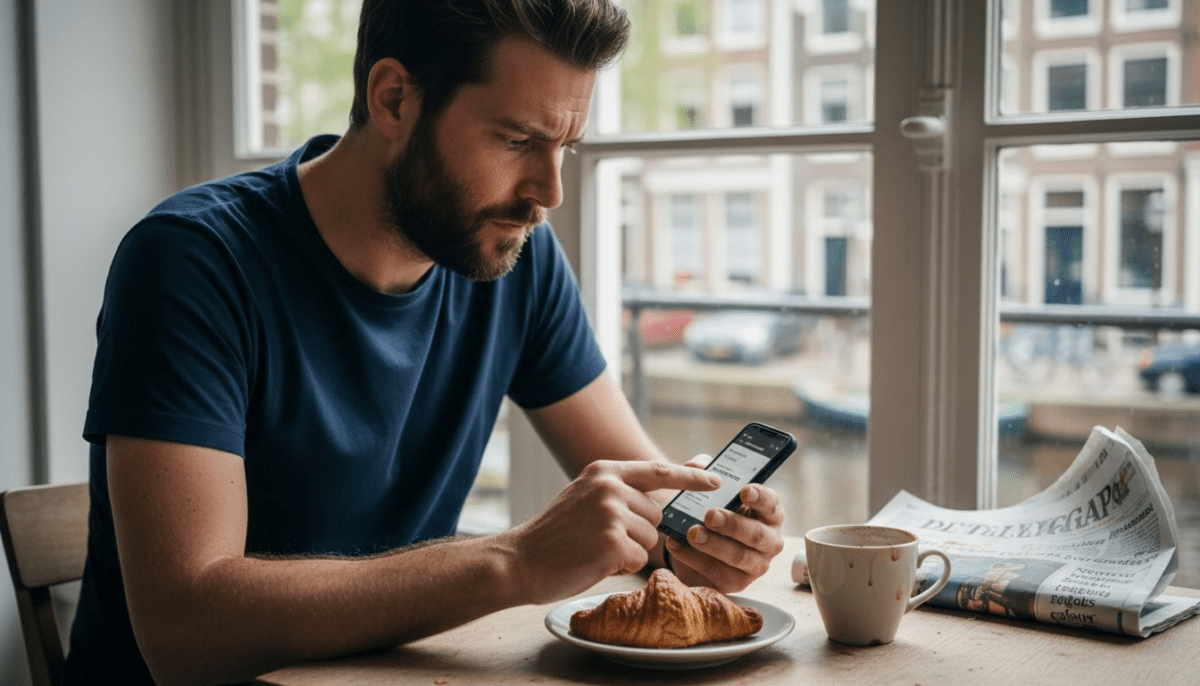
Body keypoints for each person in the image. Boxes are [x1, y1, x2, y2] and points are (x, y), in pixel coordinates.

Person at [63, 1, 786, 684]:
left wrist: (697, 541)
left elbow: (645, 508)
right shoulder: (192, 261)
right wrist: (512, 561)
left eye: (566, 145)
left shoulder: (512, 259)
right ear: (394, 100)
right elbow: (183, 633)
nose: (548, 192)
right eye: (517, 141)